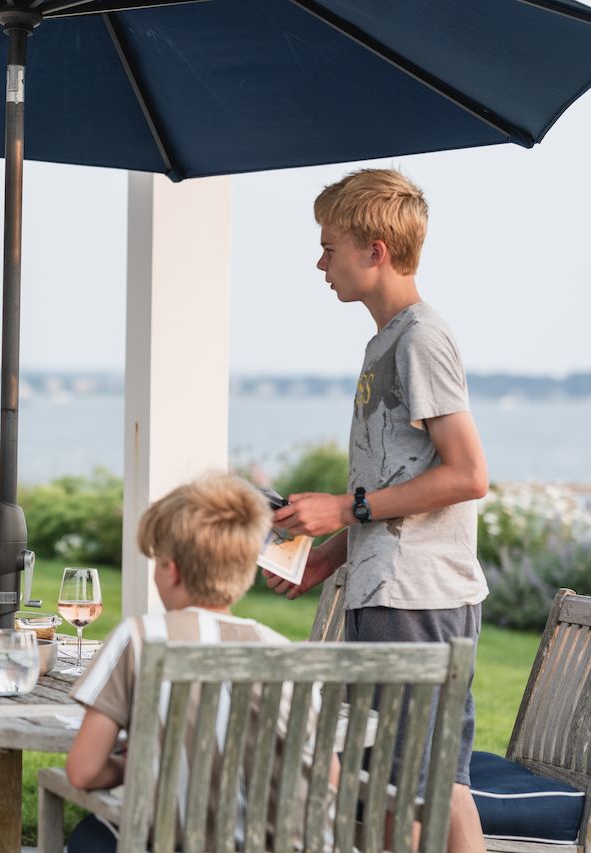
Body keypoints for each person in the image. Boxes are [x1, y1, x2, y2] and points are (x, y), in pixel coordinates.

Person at [264, 168, 489, 853]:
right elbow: (396, 486)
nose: (320, 261)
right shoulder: (385, 343)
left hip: (418, 598)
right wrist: (325, 558)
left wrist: (341, 505)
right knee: (431, 785)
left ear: (375, 250)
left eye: (330, 245)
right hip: (390, 591)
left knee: (415, 792)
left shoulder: (421, 338)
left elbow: (468, 473)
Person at [65, 473, 321, 851]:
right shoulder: (282, 650)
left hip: (178, 842)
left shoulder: (139, 637)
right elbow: (322, 773)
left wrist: (129, 765)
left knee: (89, 836)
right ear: (247, 570)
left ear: (172, 570)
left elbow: (83, 770)